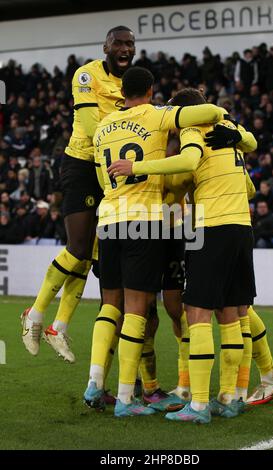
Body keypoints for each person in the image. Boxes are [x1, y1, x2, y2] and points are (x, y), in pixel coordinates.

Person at [84, 66, 225, 417]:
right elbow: (209, 112)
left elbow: (104, 176)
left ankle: (95, 382)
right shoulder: (158, 116)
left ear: (121, 93)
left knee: (111, 306)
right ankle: (129, 399)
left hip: (110, 219)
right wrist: (218, 117)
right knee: (140, 310)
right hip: (146, 222)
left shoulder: (101, 128)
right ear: (150, 91)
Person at [21, 26, 136, 364]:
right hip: (83, 166)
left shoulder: (131, 85)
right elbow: (91, 126)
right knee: (79, 248)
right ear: (106, 46)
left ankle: (58, 326)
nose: (125, 48)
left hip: (110, 171)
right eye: (119, 43)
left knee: (91, 256)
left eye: (130, 43)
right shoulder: (86, 75)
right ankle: (35, 312)